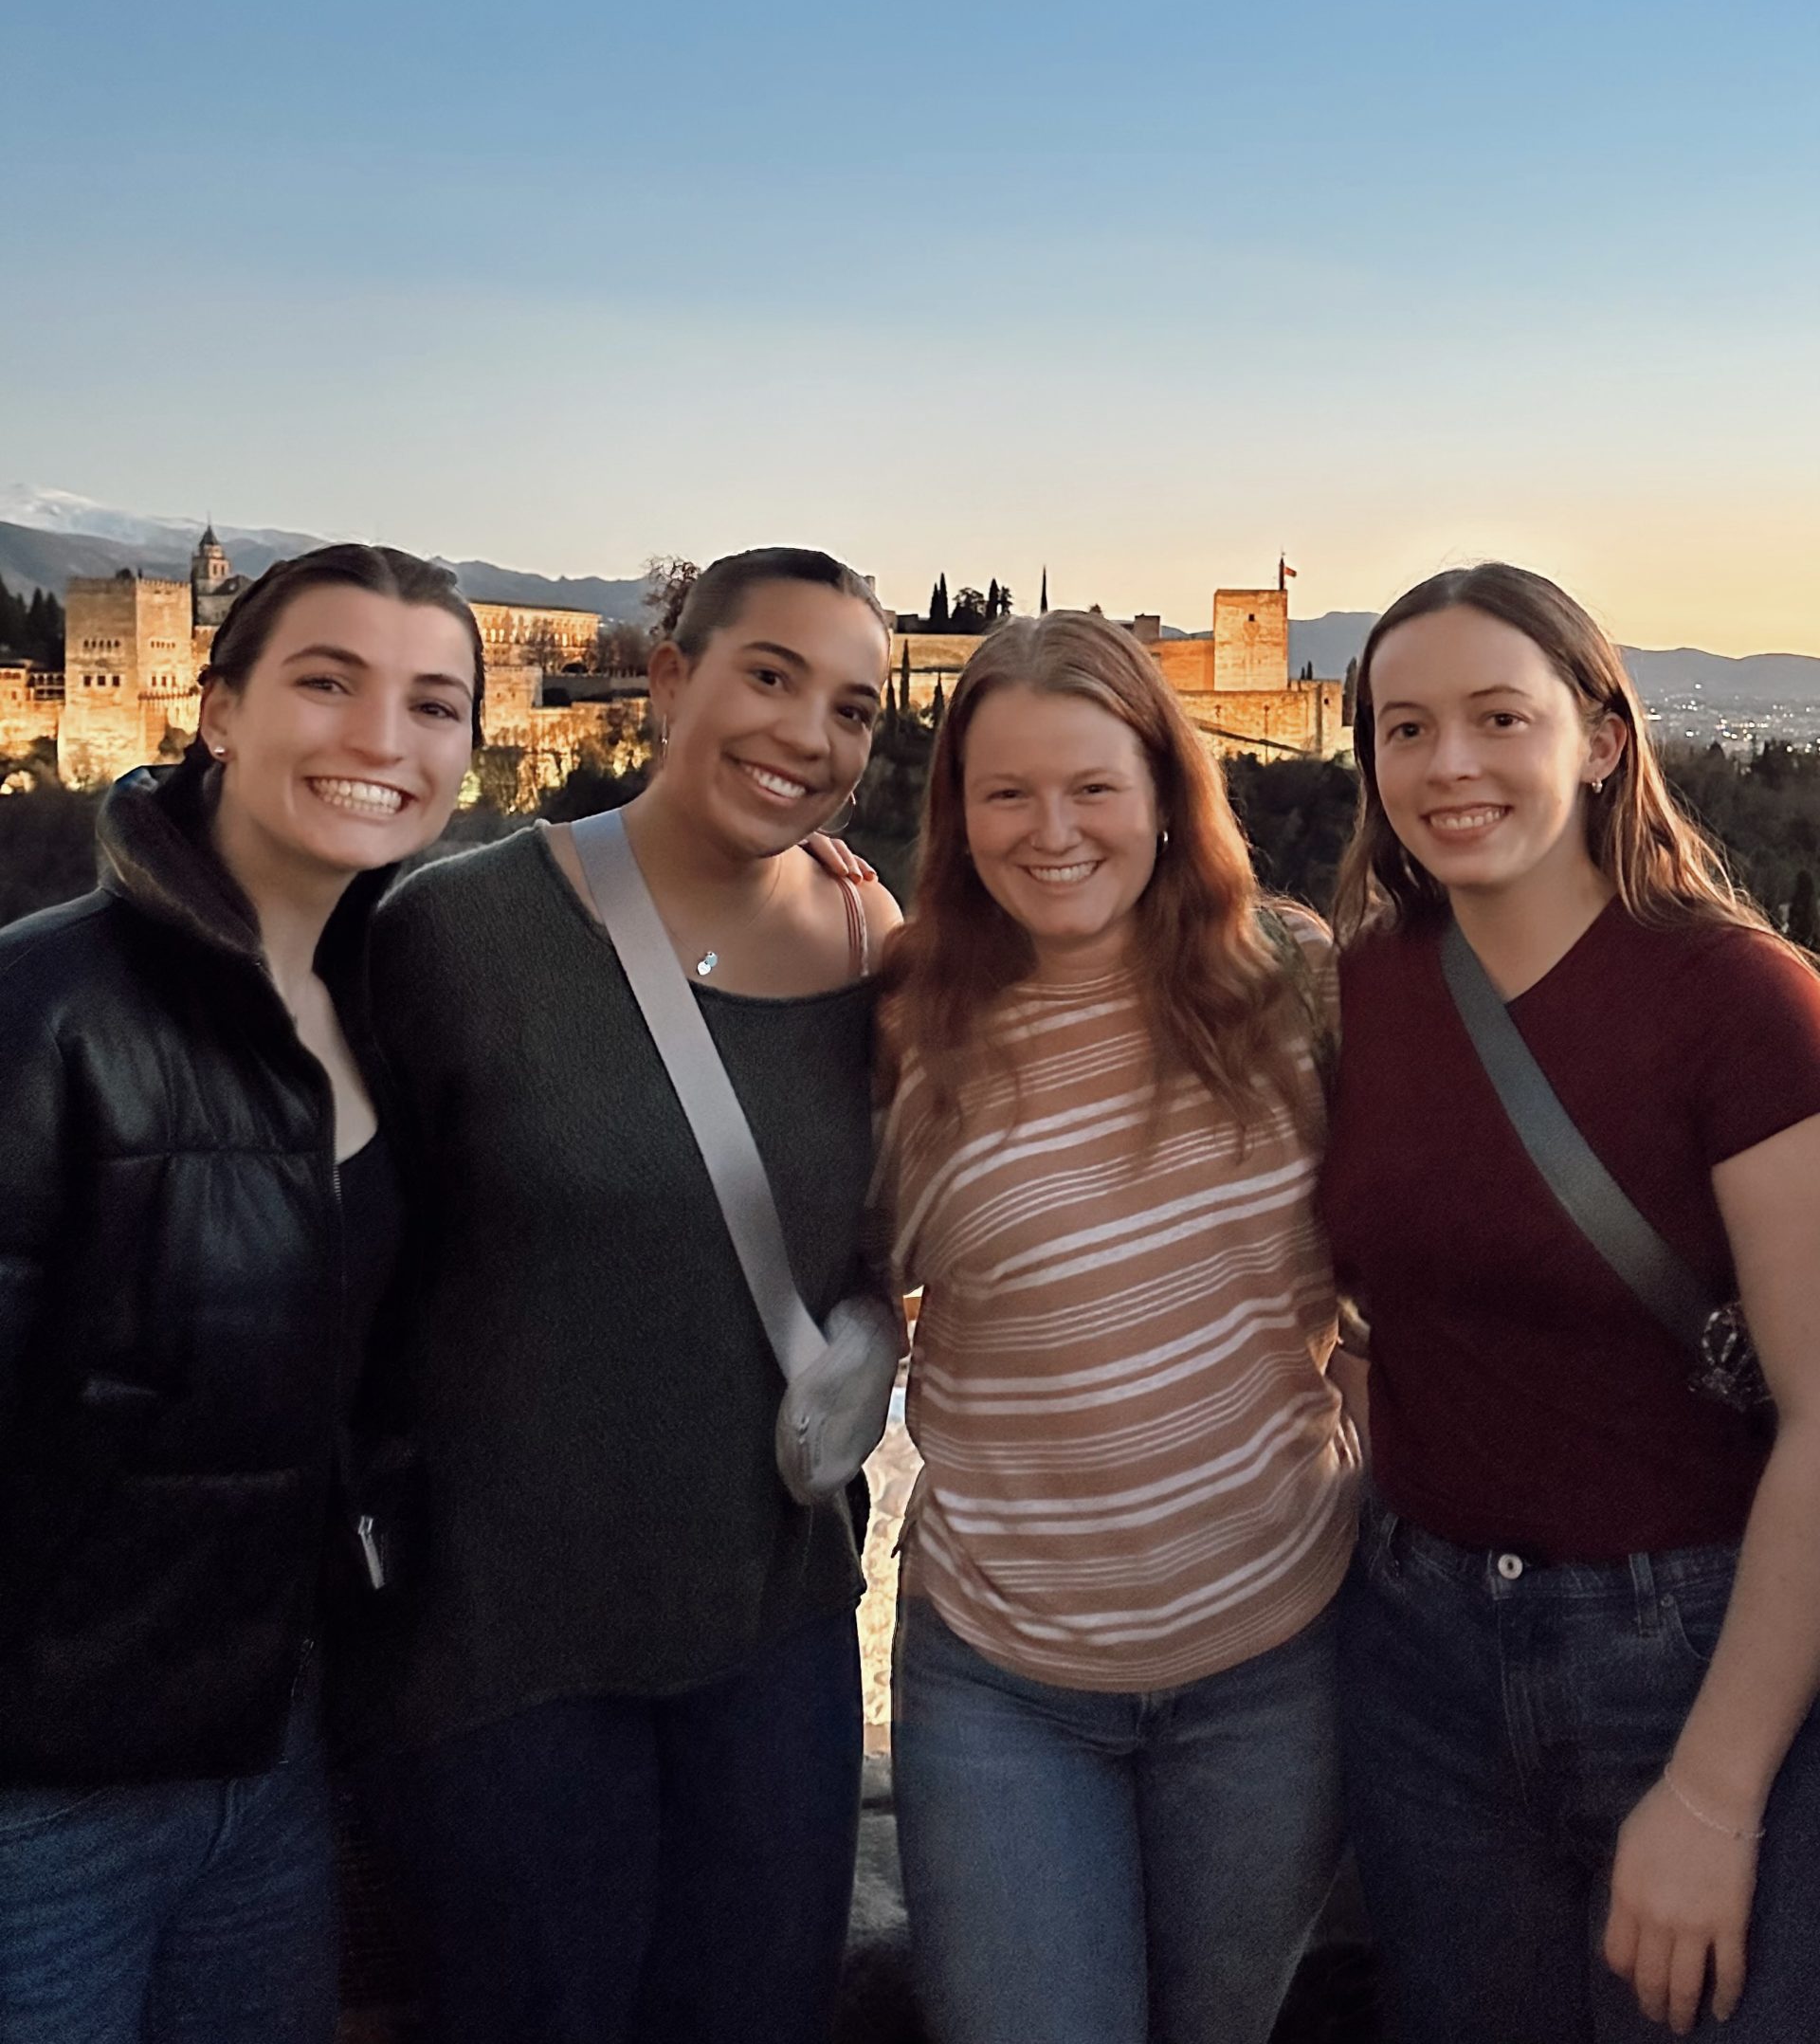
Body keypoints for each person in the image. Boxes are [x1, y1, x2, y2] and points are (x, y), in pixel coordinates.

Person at [362, 546, 901, 2044]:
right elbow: (346, 1267)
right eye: (771, 676)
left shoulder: (882, 951)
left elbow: (909, 1239)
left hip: (775, 1633)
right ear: (671, 679)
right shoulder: (460, 935)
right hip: (508, 1651)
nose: (808, 736)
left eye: (853, 709)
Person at [1321, 561, 1820, 2044]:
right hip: (1416, 1653)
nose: (1448, 765)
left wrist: (1717, 1794)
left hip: (1686, 1651)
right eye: (1403, 729)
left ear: (1601, 738)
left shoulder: (1739, 1004)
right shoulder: (1362, 992)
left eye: (1497, 718)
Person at [0, 544, 482, 2044]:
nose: (380, 742)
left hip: (272, 1768)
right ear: (215, 709)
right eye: (326, 684)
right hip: (43, 1799)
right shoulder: (46, 1009)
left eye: (433, 705)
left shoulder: (382, 1012)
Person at [878, 609, 1356, 2044]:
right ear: (957, 814)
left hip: (1275, 1657)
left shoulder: (1293, 976)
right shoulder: (898, 1015)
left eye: (1093, 786)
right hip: (1001, 1679)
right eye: (1005, 792)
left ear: (1165, 792)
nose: (1051, 829)